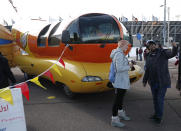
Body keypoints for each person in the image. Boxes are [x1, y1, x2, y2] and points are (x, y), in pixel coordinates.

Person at [142, 40, 178, 124]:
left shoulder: (163, 53)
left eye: (153, 44)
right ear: (148, 47)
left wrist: (175, 47)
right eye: (150, 45)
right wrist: (144, 80)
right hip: (153, 81)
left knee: (159, 99)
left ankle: (159, 116)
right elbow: (147, 70)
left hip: (162, 81)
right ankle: (156, 114)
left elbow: (172, 53)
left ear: (156, 45)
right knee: (155, 99)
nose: (152, 46)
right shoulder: (148, 56)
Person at [110, 39, 132, 128]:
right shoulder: (119, 54)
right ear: (122, 45)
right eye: (126, 45)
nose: (127, 47)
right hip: (120, 81)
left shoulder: (120, 53)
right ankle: (114, 119)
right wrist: (129, 66)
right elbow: (119, 69)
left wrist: (128, 63)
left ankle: (120, 113)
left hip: (121, 81)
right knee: (117, 100)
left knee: (120, 98)